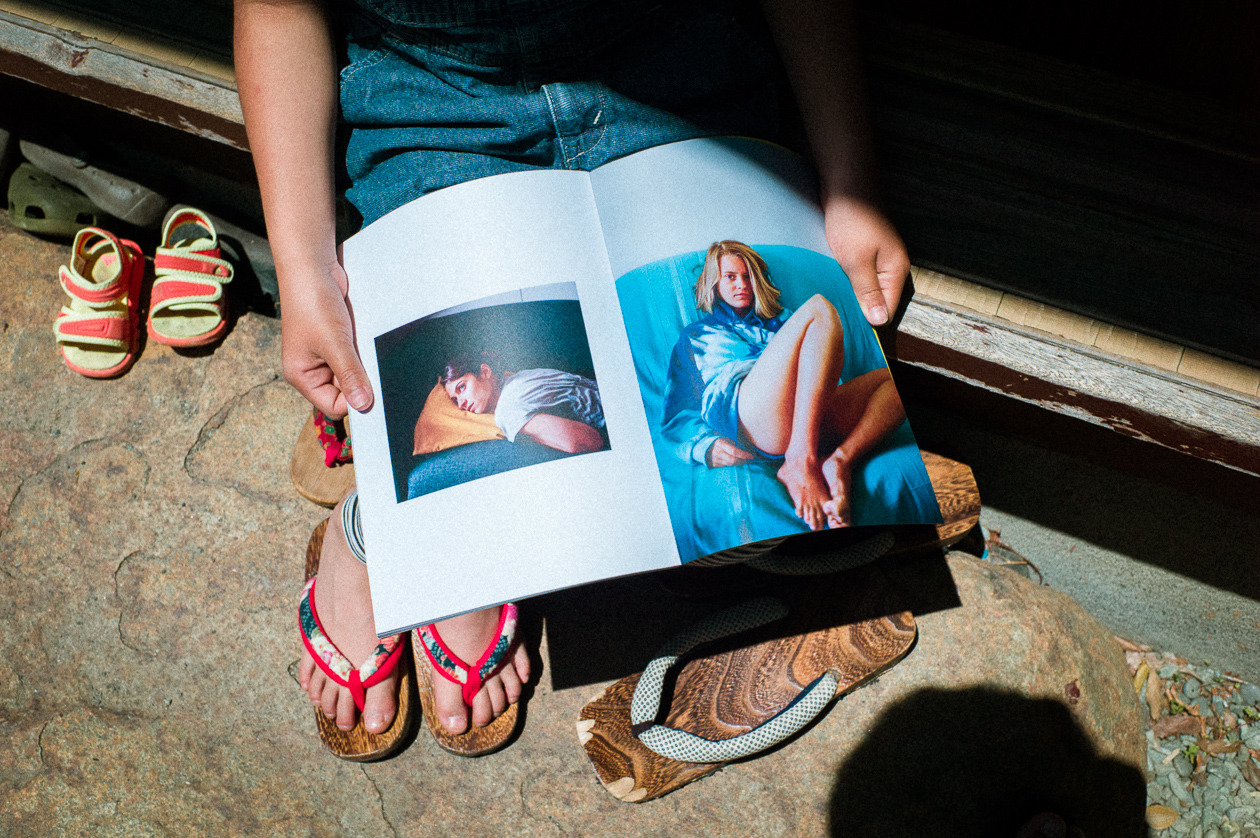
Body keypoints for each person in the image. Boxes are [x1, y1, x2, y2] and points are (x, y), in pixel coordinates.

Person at [234, 0, 910, 748]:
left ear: (486, 371)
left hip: (681, 74)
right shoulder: (517, 396)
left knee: (728, 506)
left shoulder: (523, 391)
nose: (459, 394)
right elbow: (275, 9)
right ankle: (389, 536)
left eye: (460, 384)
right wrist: (301, 271)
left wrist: (852, 184)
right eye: (452, 391)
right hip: (432, 106)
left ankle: (407, 532)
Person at [663, 241, 906, 531]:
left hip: (810, 419)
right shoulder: (697, 336)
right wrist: (705, 446)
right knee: (819, 307)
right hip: (752, 415)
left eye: (747, 276)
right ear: (714, 284)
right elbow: (676, 414)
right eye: (730, 277)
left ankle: (839, 461)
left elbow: (825, 373)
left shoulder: (785, 321)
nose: (741, 284)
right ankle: (799, 460)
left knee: (891, 381)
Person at [441, 356, 606, 454]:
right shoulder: (516, 380)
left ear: (485, 372)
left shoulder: (507, 410)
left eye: (462, 387)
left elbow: (588, 441)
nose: (461, 404)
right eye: (455, 400)